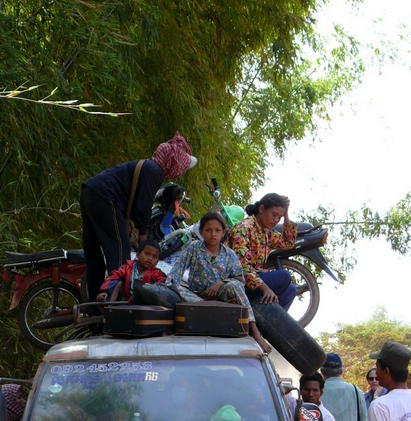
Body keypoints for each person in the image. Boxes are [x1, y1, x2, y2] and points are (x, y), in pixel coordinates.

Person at [80, 132, 196, 301]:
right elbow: (143, 208)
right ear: (174, 164)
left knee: (94, 254)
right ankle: (116, 305)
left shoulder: (148, 166)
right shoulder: (155, 171)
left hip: (90, 191)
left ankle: (92, 305)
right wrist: (143, 241)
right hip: (106, 196)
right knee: (120, 253)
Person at [166, 211, 271, 353]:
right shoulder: (194, 248)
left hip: (221, 294)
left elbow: (239, 280)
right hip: (195, 296)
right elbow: (175, 274)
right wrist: (173, 287)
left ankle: (255, 332)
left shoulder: (229, 254)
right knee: (172, 285)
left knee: (235, 286)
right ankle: (206, 305)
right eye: (208, 230)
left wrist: (221, 283)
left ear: (223, 233)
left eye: (217, 230)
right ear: (201, 232)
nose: (213, 234)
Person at [227, 193, 297, 312]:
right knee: (284, 276)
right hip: (237, 283)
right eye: (274, 215)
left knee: (291, 290)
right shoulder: (244, 228)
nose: (276, 220)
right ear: (262, 209)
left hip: (253, 280)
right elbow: (242, 268)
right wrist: (265, 289)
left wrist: (286, 214)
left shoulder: (266, 232)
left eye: (279, 217)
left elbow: (288, 242)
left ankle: (269, 326)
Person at [97, 239, 167, 303]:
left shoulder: (157, 273)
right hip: (127, 299)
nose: (150, 258)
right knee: (119, 283)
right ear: (138, 254)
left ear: (157, 261)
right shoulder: (128, 267)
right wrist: (105, 291)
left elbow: (162, 285)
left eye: (154, 257)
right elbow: (113, 277)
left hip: (145, 302)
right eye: (147, 254)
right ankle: (110, 308)